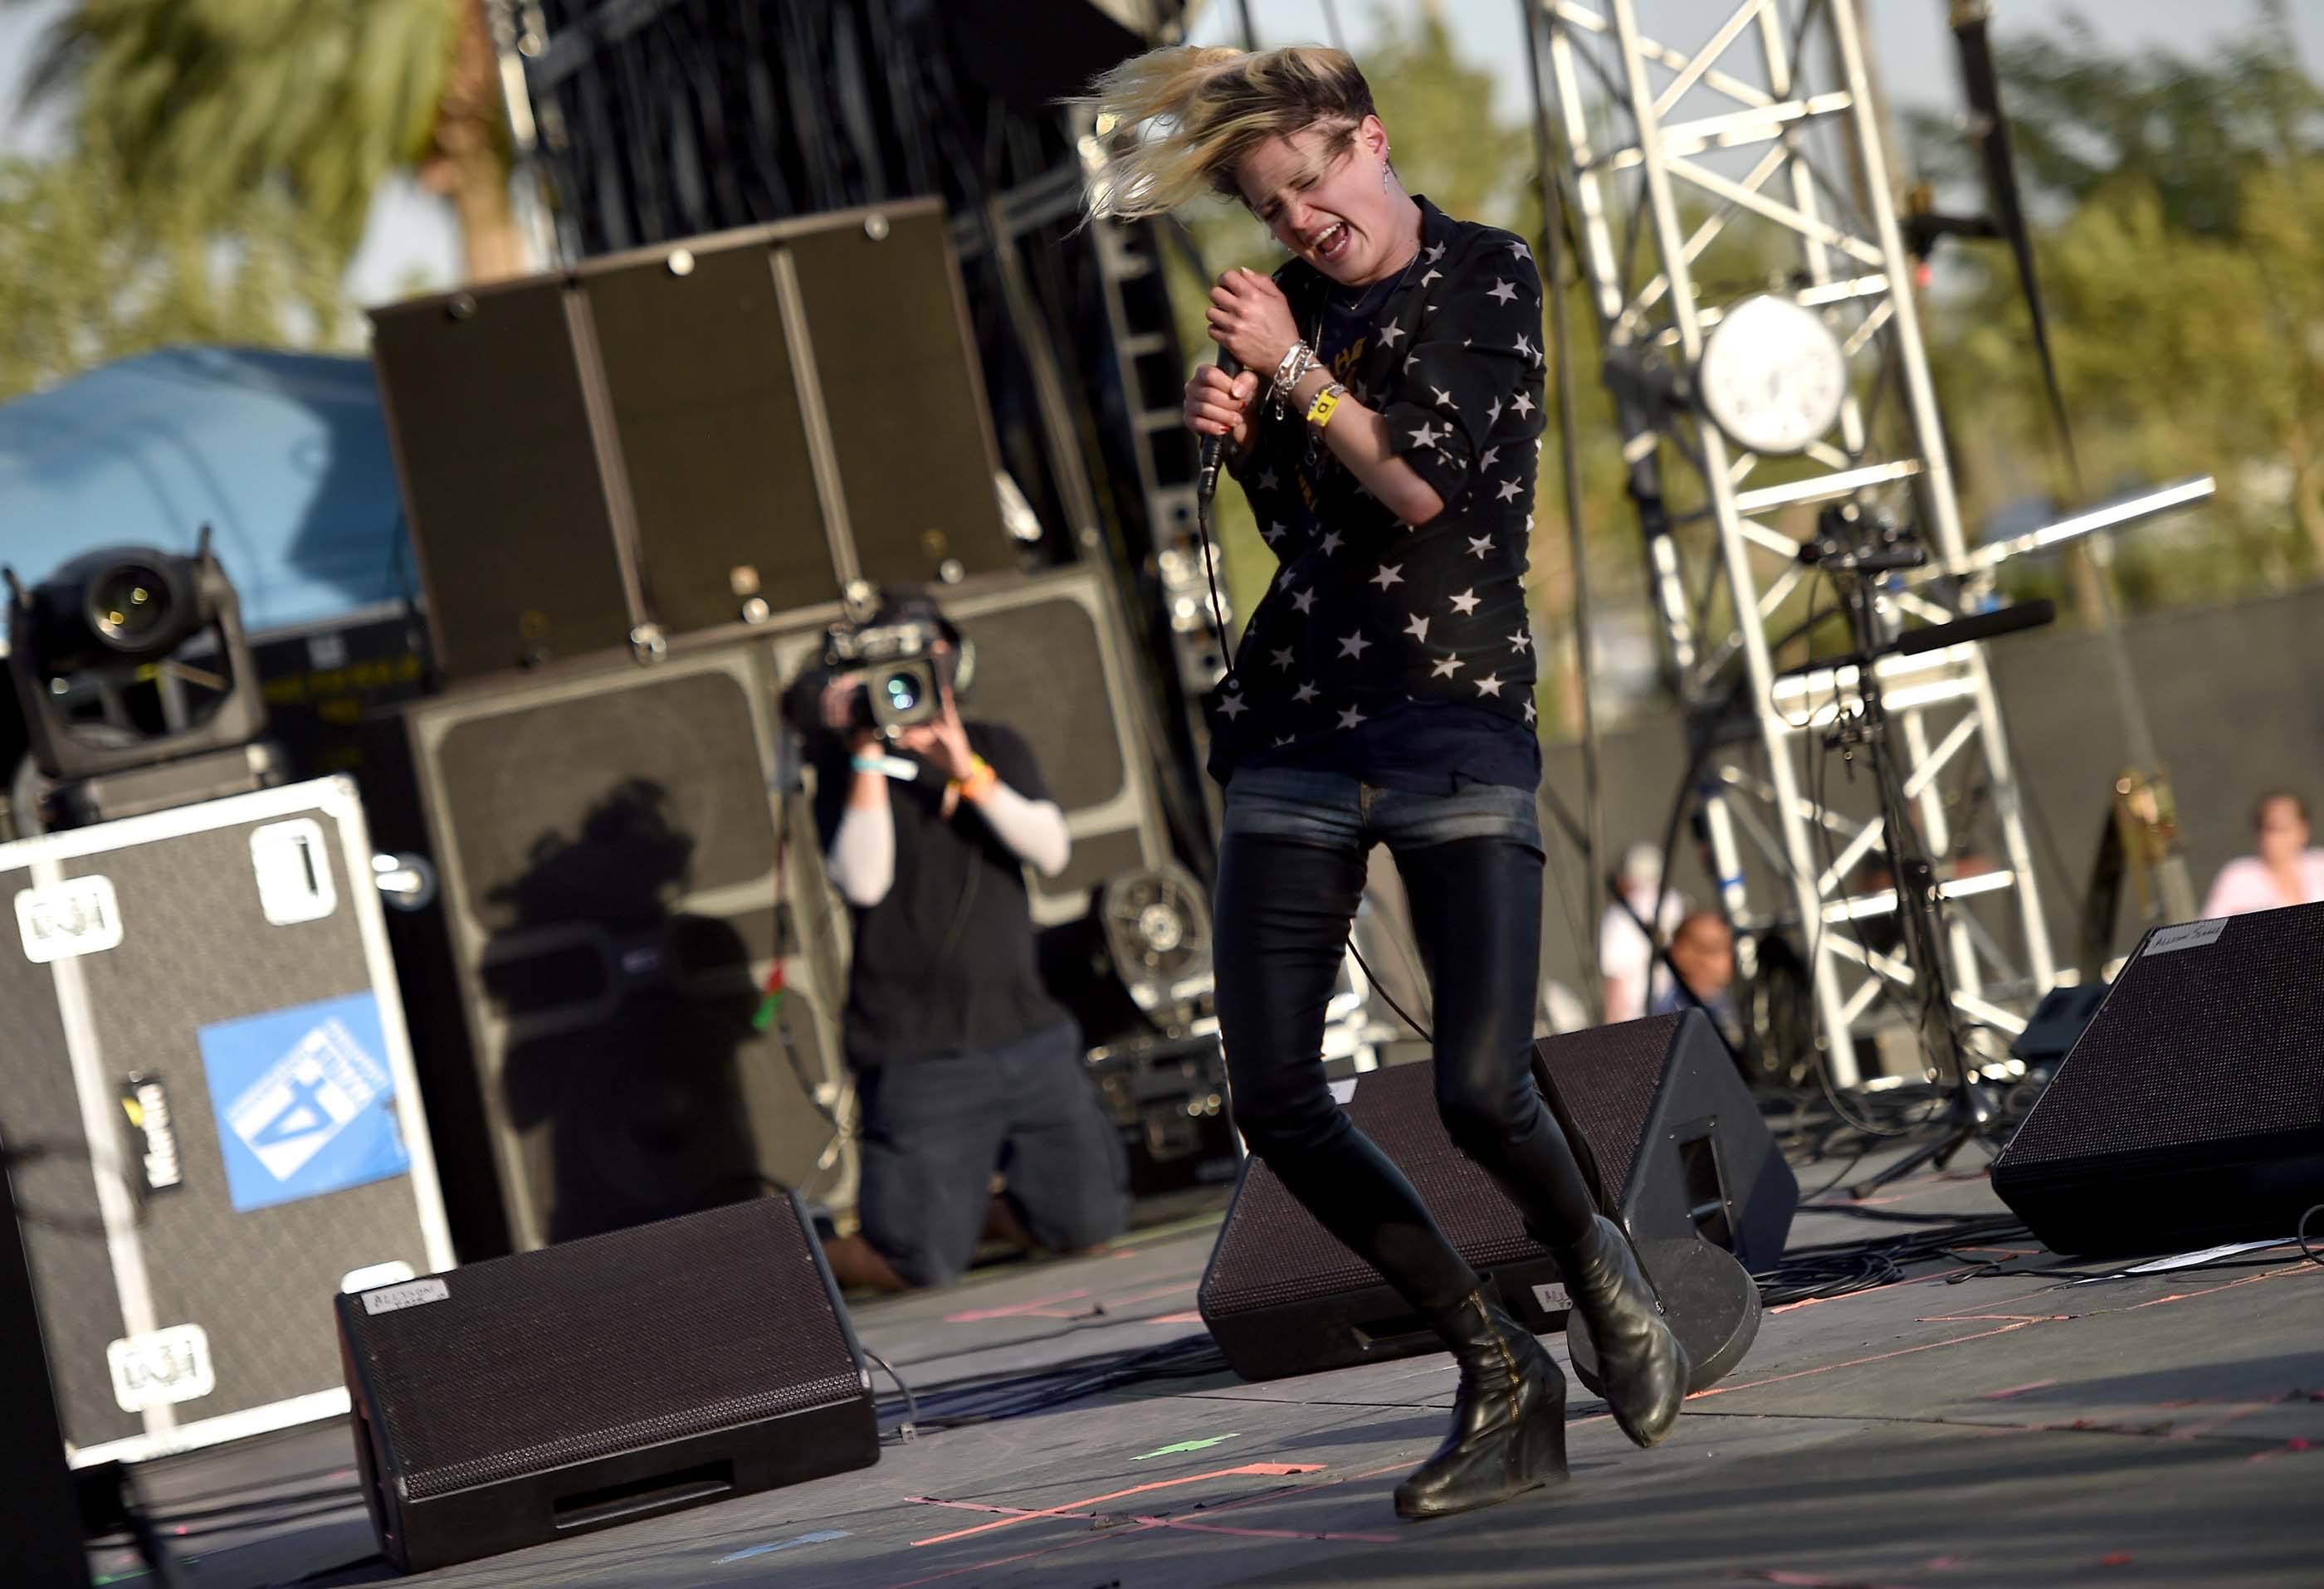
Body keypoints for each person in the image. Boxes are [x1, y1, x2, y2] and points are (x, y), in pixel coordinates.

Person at [1085, 42, 1685, 1521]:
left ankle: (1600, 1262)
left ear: (1370, 141)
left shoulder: (1487, 272)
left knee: (1483, 1085)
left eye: (1309, 184)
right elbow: (1316, 527)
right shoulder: (1301, 318)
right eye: (1272, 211)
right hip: (1300, 725)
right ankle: (1495, 1371)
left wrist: (1291, 369)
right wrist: (1242, 439)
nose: (1301, 223)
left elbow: (1429, 483)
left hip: (1452, 718)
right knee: (1276, 1095)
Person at [782, 589, 1127, 1292]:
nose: (915, 676)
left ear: (953, 662)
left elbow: (1051, 849)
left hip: (1025, 1032)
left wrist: (966, 768)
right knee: (917, 1265)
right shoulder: (845, 774)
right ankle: (789, 1257)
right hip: (919, 1051)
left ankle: (987, 1212)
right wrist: (868, 757)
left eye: (929, 654)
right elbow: (864, 881)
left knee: (1088, 1225)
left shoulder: (997, 746)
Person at [2201, 790, 2324, 918]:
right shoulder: (2238, 876)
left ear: (2303, 830)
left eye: (2282, 828)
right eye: (2267, 828)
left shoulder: (2320, 865)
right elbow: (2212, 928)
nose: (2273, 838)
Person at [1600, 841, 1685, 1024]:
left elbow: (1616, 982)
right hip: (1679, 1016)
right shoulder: (1676, 903)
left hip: (1637, 1024)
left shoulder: (1619, 915)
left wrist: (1611, 1036)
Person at [1650, 908, 1741, 1048]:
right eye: (1716, 947)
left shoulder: (1731, 1006)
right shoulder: (1670, 1020)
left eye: (1731, 946)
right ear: (1683, 954)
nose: (1730, 956)